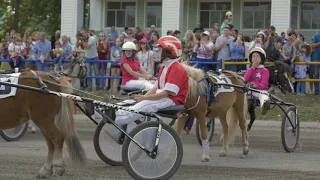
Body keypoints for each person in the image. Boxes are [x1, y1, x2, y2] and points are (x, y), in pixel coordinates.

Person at [114, 36, 189, 132]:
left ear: (168, 51)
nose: (157, 52)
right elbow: (154, 88)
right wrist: (142, 97)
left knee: (146, 104)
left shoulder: (176, 68)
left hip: (172, 100)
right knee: (133, 102)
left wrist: (145, 98)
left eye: (160, 50)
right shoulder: (164, 66)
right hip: (165, 98)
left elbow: (165, 93)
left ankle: (115, 116)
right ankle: (112, 110)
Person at [244, 47, 270, 117]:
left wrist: (256, 86)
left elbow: (264, 85)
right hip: (249, 90)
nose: (255, 58)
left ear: (261, 59)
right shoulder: (249, 69)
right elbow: (245, 79)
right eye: (253, 56)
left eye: (257, 56)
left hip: (260, 91)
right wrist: (252, 68)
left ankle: (265, 104)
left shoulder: (265, 70)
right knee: (243, 96)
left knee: (263, 95)